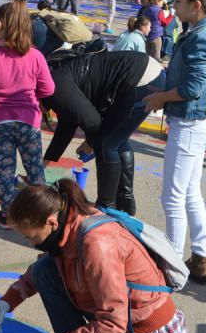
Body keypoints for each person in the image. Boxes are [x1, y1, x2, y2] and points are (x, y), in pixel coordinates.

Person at [0, 180, 189, 333]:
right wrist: (8, 301)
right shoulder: (68, 224)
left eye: (32, 237)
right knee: (45, 269)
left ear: (52, 223)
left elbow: (113, 323)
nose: (30, 242)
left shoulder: (97, 245)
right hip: (119, 325)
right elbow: (40, 271)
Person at [142, 0, 206, 284]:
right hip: (196, 119)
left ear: (196, 5)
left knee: (172, 197)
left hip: (190, 121)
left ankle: (172, 264)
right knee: (189, 192)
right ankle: (199, 258)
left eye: (178, 2)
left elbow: (191, 88)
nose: (173, 7)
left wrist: (161, 96)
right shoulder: (199, 30)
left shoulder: (201, 37)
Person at [43, 48, 164, 215]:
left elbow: (92, 121)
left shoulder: (55, 86)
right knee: (117, 140)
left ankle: (106, 206)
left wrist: (90, 143)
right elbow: (66, 126)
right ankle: (125, 202)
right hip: (150, 73)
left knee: (106, 143)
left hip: (138, 79)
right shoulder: (56, 80)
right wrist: (44, 164)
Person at [0, 0, 54, 228]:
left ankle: (8, 215)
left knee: (6, 169)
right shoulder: (36, 56)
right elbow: (48, 89)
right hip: (28, 120)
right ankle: (41, 214)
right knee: (35, 168)